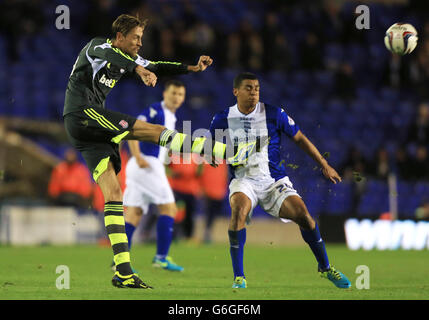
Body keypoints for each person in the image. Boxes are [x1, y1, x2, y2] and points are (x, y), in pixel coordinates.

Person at [63, 14, 253, 289]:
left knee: (114, 194)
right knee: (151, 130)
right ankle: (225, 151)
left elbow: (155, 65)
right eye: (136, 37)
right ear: (120, 37)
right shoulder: (97, 47)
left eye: (141, 38)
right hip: (83, 114)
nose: (140, 43)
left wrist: (191, 68)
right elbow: (124, 60)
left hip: (88, 132)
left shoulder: (130, 58)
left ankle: (124, 273)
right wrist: (139, 70)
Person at [208, 72, 351, 289]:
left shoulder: (273, 113)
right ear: (235, 91)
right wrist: (212, 156)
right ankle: (239, 277)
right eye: (248, 88)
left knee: (304, 216)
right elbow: (210, 148)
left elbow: (300, 138)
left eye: (256, 88)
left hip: (273, 181)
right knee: (238, 210)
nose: (254, 92)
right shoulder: (222, 118)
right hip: (243, 180)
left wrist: (324, 164)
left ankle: (325, 267)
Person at [122, 80, 187, 272]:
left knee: (134, 214)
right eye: (173, 93)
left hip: (143, 165)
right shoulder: (156, 110)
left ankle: (119, 261)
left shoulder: (170, 117)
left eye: (180, 94)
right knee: (170, 208)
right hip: (146, 164)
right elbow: (131, 129)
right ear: (165, 93)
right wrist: (137, 155)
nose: (177, 97)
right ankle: (161, 258)